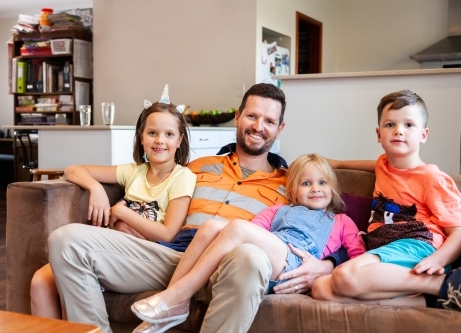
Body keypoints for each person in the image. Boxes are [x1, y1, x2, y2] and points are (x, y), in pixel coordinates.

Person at [47, 83, 348, 333]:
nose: (258, 127)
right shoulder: (196, 167)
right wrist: (122, 214)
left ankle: (175, 300)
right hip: (172, 257)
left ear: (279, 129)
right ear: (237, 117)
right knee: (66, 240)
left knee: (252, 257)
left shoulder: (293, 184)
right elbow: (154, 191)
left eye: (269, 121)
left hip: (232, 268)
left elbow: (329, 223)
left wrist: (329, 265)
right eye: (252, 116)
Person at [130, 153, 366, 331]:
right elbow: (250, 235)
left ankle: (176, 297)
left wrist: (328, 267)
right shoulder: (279, 210)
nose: (315, 189)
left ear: (332, 189)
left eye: (322, 183)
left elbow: (359, 259)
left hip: (296, 263)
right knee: (211, 226)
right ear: (293, 190)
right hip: (270, 256)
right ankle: (170, 305)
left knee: (238, 227)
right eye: (306, 183)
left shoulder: (342, 221)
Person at [30, 87, 196, 319]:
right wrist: (95, 188)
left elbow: (168, 233)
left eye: (169, 134)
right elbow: (73, 170)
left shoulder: (182, 177)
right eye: (152, 133)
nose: (160, 140)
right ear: (141, 136)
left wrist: (122, 212)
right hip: (112, 244)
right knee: (40, 282)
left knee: (65, 241)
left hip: (147, 255)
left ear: (180, 140)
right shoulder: (133, 171)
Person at [311, 90, 461, 310]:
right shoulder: (383, 165)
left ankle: (444, 285)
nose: (399, 131)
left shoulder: (433, 178)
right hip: (385, 250)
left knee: (345, 276)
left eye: (409, 125)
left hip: (417, 246)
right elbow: (373, 165)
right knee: (321, 289)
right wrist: (339, 164)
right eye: (390, 125)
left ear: (424, 134)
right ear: (379, 134)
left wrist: (439, 261)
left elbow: (458, 231)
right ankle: (427, 301)